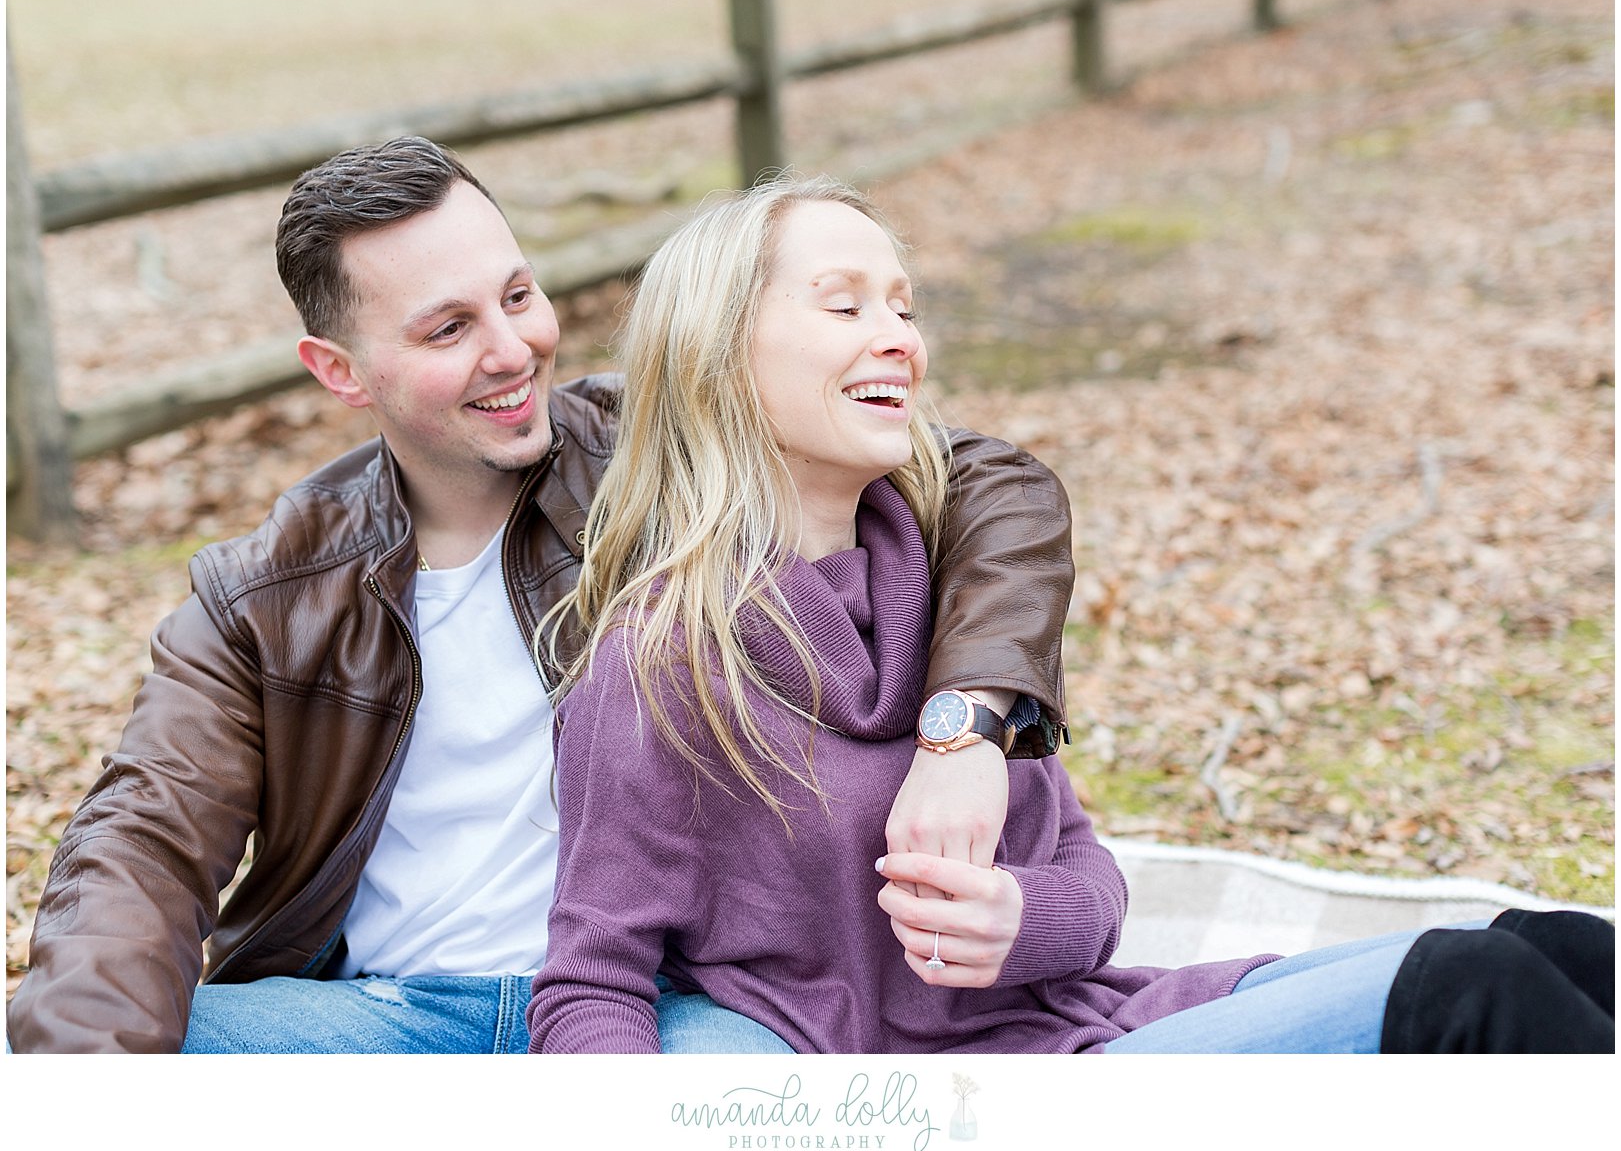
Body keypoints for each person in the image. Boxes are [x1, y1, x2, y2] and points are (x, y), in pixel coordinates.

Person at [5, 137, 1077, 1054]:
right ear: (340, 370)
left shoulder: (653, 450)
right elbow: (139, 841)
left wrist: (965, 729)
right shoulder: (262, 598)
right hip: (385, 1021)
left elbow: (990, 482)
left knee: (786, 1092)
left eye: (517, 297)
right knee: (91, 1058)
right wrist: (83, 1101)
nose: (513, 350)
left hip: (669, 1003)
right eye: (447, 329)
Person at [527, 173, 1613, 1054]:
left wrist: (1017, 923)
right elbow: (591, 982)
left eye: (904, 306)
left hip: (1090, 1020)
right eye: (845, 302)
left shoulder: (956, 606)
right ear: (717, 353)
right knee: (1480, 993)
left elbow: (1090, 880)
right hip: (960, 1097)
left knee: (1564, 948)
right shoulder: (661, 664)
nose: (900, 336)